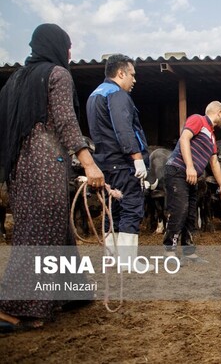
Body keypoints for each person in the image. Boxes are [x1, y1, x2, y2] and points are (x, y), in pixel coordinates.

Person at [0, 23, 104, 330]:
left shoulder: (14, 81)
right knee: (38, 233)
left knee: (51, 226)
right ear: (56, 46)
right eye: (68, 46)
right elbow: (65, 121)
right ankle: (14, 307)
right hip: (45, 163)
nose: (70, 53)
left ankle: (71, 291)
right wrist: (88, 162)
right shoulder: (57, 74)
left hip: (19, 169)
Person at [86, 54, 148, 265]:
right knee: (131, 206)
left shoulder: (95, 94)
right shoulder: (117, 94)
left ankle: (111, 256)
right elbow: (124, 128)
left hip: (104, 163)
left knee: (111, 208)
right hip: (122, 163)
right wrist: (137, 158)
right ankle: (128, 260)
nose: (134, 80)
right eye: (132, 75)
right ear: (120, 73)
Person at [163, 101, 221, 262]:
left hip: (191, 178)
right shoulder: (198, 119)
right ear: (219, 112)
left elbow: (213, 163)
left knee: (191, 214)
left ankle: (188, 252)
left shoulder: (212, 136)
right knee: (180, 210)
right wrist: (190, 166)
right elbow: (185, 138)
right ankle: (169, 251)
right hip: (178, 170)